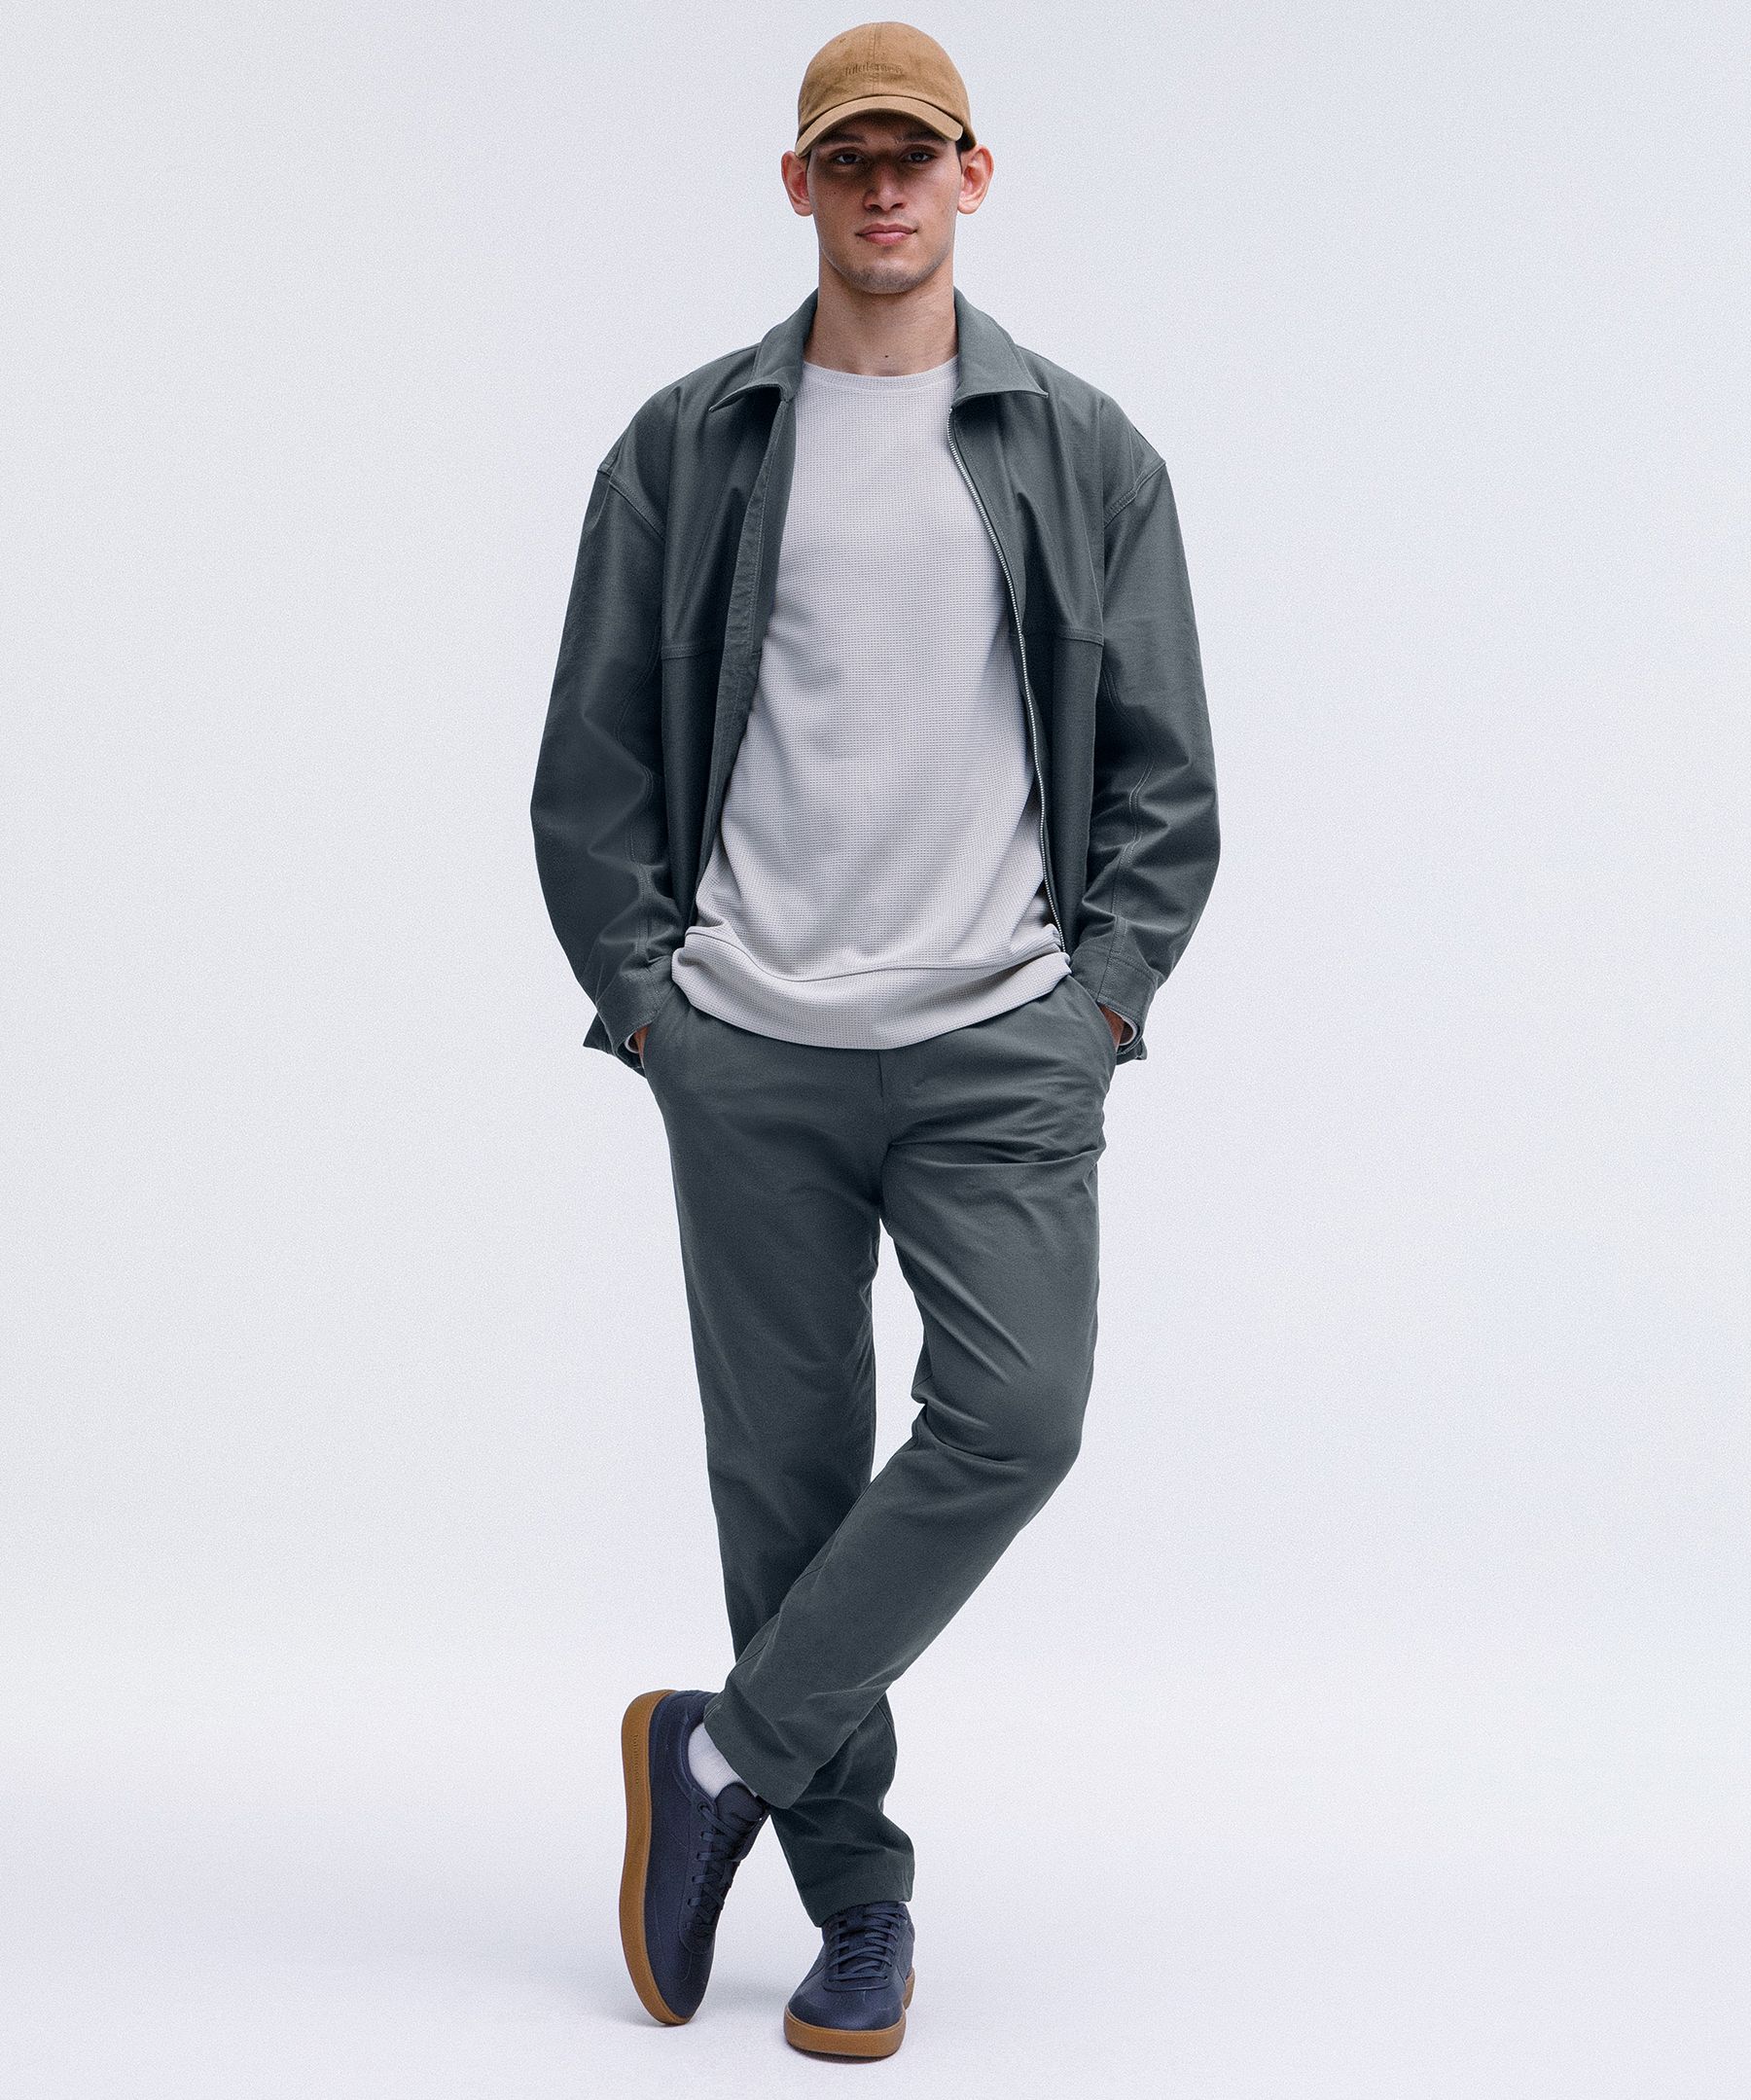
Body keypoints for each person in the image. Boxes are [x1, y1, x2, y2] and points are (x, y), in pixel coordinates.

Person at [531, 18, 1219, 2061]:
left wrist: (1099, 1007)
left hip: (1004, 1035)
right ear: (800, 186)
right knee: (789, 1481)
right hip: (747, 1041)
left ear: (974, 177)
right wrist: (652, 1011)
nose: (886, 188)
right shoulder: (688, 447)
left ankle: (719, 1755)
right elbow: (588, 767)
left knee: (1018, 1417)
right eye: (851, 159)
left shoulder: (1083, 452)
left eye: (918, 156)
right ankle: (858, 1905)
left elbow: (1168, 778)